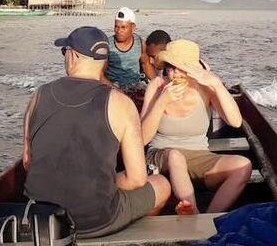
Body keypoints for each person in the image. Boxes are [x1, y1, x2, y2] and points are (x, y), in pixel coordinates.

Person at [23, 26, 171, 238]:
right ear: (103, 62)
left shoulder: (38, 95)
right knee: (162, 185)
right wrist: (99, 184)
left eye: (64, 52)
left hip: (42, 218)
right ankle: (136, 237)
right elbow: (137, 179)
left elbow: (28, 162)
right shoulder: (121, 103)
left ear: (72, 56)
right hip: (95, 220)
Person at [140, 39, 252, 214]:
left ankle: (209, 218)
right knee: (176, 157)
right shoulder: (157, 86)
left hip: (198, 156)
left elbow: (235, 121)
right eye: (171, 67)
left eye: (181, 68)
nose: (175, 73)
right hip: (162, 155)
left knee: (243, 165)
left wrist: (216, 84)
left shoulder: (204, 88)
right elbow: (142, 138)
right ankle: (193, 214)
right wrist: (162, 102)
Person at [104, 7, 156, 87]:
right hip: (113, 87)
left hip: (134, 86)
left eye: (123, 27)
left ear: (133, 27)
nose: (118, 31)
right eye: (116, 26)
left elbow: (146, 65)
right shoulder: (107, 45)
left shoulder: (140, 43)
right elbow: (100, 73)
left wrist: (158, 84)